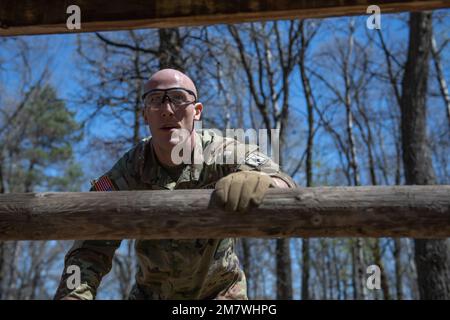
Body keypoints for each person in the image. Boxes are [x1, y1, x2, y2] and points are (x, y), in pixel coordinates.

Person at [54, 68, 296, 300]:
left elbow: (283, 182)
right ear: (144, 114)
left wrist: (265, 182)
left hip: (222, 294)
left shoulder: (221, 152)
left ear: (197, 111)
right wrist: (73, 295)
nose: (167, 110)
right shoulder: (130, 169)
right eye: (156, 100)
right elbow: (90, 243)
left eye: (179, 98)